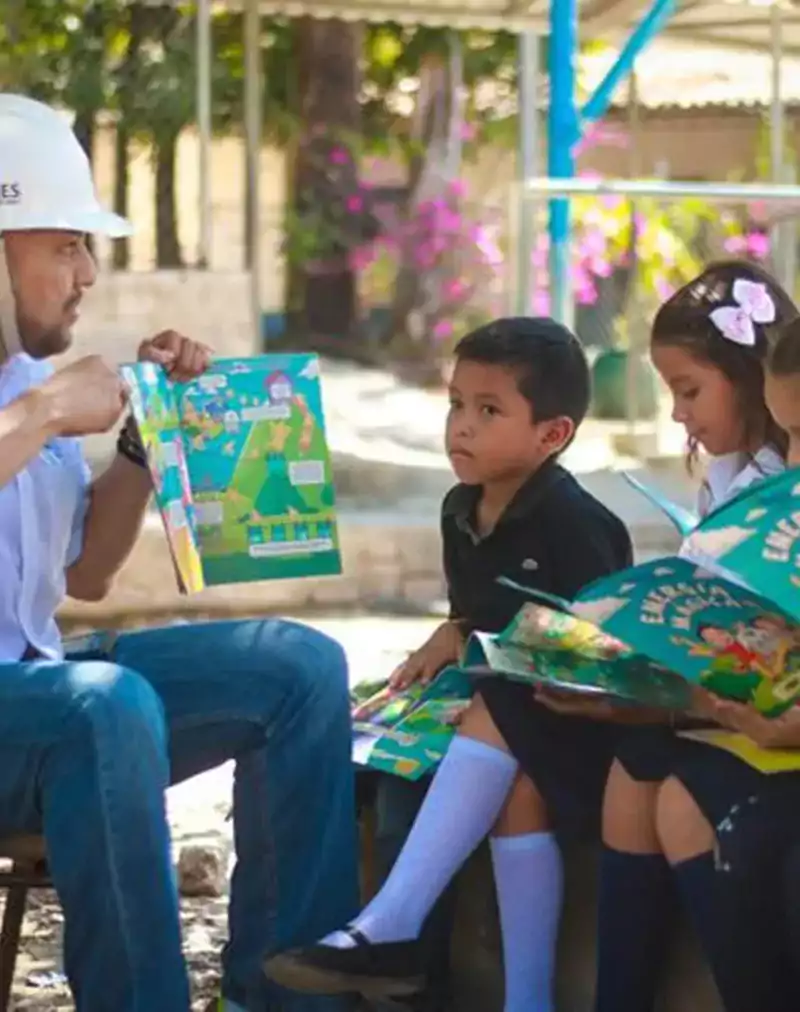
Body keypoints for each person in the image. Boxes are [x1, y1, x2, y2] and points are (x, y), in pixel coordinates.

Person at [0, 93, 357, 1012]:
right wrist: (40, 416)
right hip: (55, 708)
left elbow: (85, 576)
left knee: (301, 667)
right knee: (103, 706)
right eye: (63, 245)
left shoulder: (33, 383)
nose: (87, 273)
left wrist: (140, 443)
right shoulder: (34, 402)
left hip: (36, 689)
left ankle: (284, 995)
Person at [264, 316, 634, 1011]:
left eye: (488, 410)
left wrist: (480, 644)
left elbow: (597, 653)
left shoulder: (578, 524)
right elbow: (482, 619)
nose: (461, 426)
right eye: (456, 404)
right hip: (503, 729)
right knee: (410, 772)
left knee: (496, 719)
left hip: (578, 727)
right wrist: (456, 631)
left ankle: (391, 928)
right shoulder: (458, 510)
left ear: (552, 435)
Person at [592, 260, 799, 1012]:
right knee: (635, 768)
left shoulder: (778, 483)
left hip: (769, 730)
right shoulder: (730, 476)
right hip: (746, 712)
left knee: (675, 790)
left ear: (747, 377)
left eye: (688, 391)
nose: (678, 415)